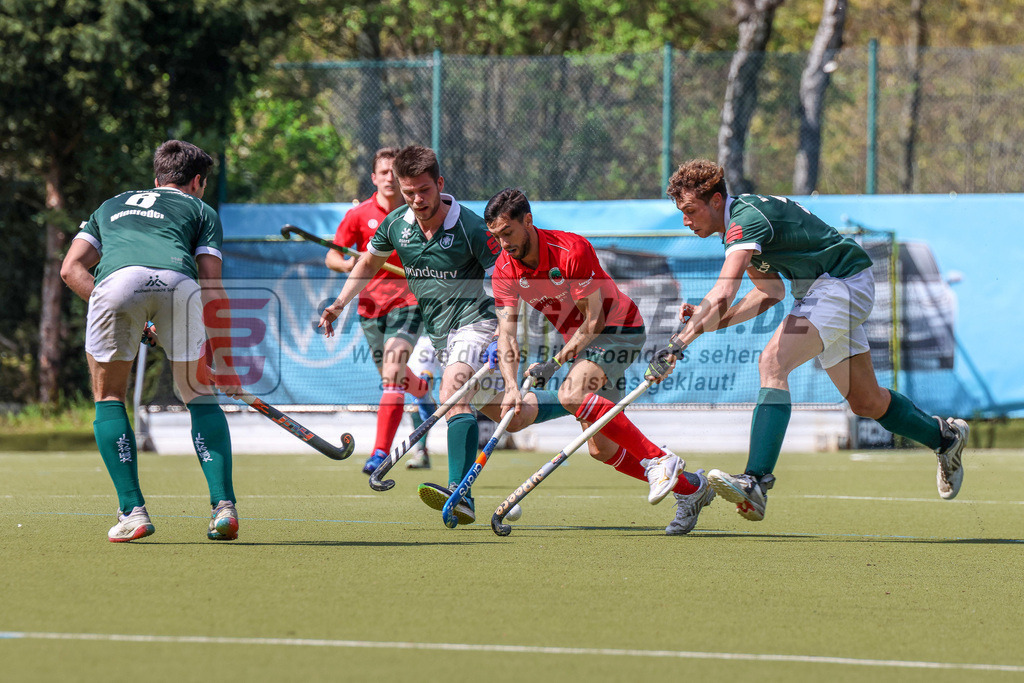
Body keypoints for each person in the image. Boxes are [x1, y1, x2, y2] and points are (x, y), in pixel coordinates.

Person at [652, 158, 969, 522]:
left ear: (717, 201)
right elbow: (767, 293)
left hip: (840, 284)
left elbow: (724, 291)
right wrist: (705, 325)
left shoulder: (746, 220)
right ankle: (944, 437)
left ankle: (755, 481)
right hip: (825, 291)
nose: (686, 221)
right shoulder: (737, 226)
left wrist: (679, 343)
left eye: (690, 210)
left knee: (773, 362)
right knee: (866, 401)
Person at [319, 146, 568, 524]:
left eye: (424, 190)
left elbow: (507, 276)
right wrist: (339, 303)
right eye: (408, 193)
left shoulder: (469, 227)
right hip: (441, 335)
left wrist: (507, 333)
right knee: (509, 416)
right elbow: (368, 261)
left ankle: (459, 491)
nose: (417, 200)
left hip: (477, 322)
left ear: (439, 183)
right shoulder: (396, 225)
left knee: (451, 391)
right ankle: (579, 399)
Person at [484, 188, 716, 535]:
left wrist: (555, 363)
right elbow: (506, 334)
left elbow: (594, 322)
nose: (504, 244)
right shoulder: (505, 268)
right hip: (582, 346)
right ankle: (692, 489)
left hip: (620, 330)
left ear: (527, 221)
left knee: (571, 393)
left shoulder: (570, 250)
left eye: (508, 233)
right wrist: (513, 387)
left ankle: (660, 459)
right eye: (496, 236)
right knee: (602, 449)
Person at [60, 140, 240, 542]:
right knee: (198, 394)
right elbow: (212, 285)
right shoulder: (200, 209)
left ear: (156, 178)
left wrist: (118, 304)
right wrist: (225, 364)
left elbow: (71, 269)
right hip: (179, 282)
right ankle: (224, 507)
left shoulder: (109, 206)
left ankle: (133, 511)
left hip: (116, 282)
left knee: (109, 398)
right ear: (198, 181)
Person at [324, 147, 437, 473]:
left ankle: (380, 454)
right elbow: (332, 256)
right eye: (383, 172)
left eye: (393, 173)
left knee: (392, 372)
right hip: (370, 308)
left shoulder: (417, 209)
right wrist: (349, 263)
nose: (389, 178)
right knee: (396, 378)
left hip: (409, 303)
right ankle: (422, 389)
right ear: (374, 178)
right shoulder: (359, 216)